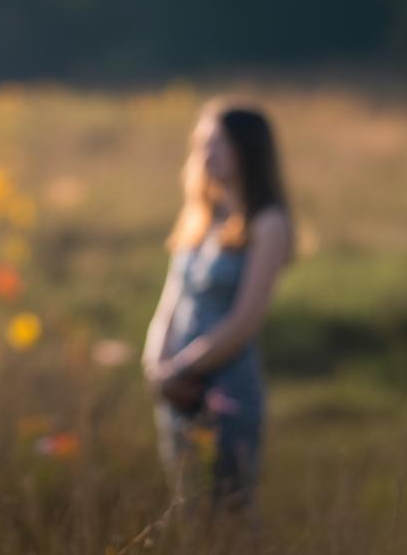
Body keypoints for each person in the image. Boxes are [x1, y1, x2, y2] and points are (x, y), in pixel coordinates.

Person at [142, 99, 294, 517]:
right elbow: (170, 300)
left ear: (249, 150)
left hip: (225, 390)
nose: (207, 153)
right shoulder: (200, 216)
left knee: (230, 514)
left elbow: (245, 320)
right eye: (202, 143)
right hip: (177, 392)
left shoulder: (268, 223)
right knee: (188, 510)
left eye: (219, 144)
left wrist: (184, 369)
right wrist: (156, 364)